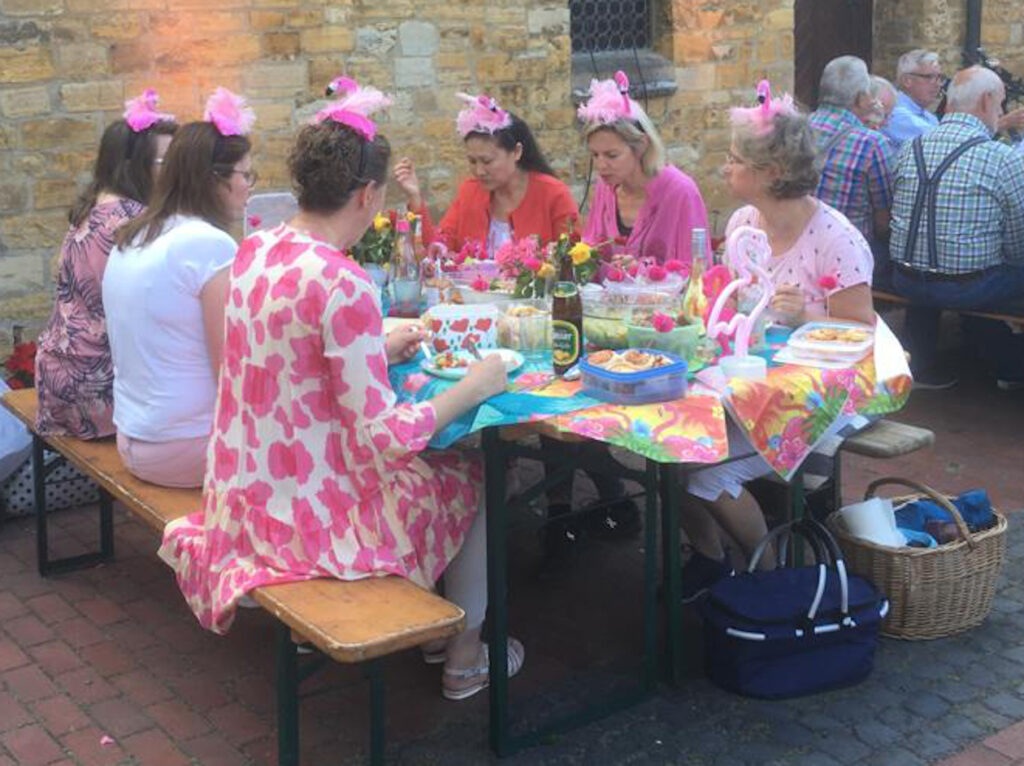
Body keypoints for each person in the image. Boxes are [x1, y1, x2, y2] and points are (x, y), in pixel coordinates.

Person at [158, 78, 523, 700]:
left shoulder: (257, 250)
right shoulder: (344, 282)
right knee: (468, 472)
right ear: (366, 194)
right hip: (312, 523)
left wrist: (376, 344)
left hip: (247, 502)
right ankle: (463, 655)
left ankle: (439, 631)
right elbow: (388, 436)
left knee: (439, 462)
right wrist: (477, 382)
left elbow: (288, 361)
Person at [679, 84, 877, 601]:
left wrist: (805, 311)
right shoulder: (746, 223)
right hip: (754, 385)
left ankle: (771, 569)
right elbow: (736, 302)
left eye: (735, 159)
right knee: (671, 448)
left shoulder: (836, 237)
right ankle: (709, 558)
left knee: (701, 472)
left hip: (819, 397)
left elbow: (864, 328)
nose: (725, 167)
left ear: (770, 173)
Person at [103, 88, 255, 487]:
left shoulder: (136, 233)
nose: (249, 186)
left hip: (134, 439)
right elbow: (232, 370)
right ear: (215, 180)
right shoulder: (207, 244)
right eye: (245, 174)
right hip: (188, 447)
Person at [34, 90, 177, 440]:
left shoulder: (93, 206)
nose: (177, 172)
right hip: (96, 387)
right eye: (167, 163)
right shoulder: (133, 221)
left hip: (56, 378)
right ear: (133, 166)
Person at [889, 66, 1024, 389]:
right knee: (997, 269)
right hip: (969, 285)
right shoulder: (1001, 158)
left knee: (938, 266)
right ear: (986, 101)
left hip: (904, 277)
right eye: (1001, 103)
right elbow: (1018, 243)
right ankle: (1009, 365)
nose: (1002, 112)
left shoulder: (912, 147)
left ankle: (920, 362)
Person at [393, 93, 579, 256]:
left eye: (487, 161)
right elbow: (438, 244)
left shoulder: (553, 194)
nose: (479, 171)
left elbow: (575, 257)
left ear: (516, 152)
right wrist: (415, 197)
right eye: (472, 162)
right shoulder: (469, 191)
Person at [578, 70, 710, 264]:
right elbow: (592, 250)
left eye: (611, 155)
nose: (600, 165)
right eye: (595, 155)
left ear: (641, 146)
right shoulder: (605, 187)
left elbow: (697, 270)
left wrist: (643, 271)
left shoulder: (681, 192)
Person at [809, 56, 894, 251]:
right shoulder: (872, 143)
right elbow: (884, 219)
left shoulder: (794, 128)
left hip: (799, 244)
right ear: (860, 98)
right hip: (846, 251)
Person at [884, 49, 943, 148]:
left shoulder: (929, 117)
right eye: (929, 77)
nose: (938, 84)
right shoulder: (895, 113)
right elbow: (943, 141)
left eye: (939, 77)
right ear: (907, 81)